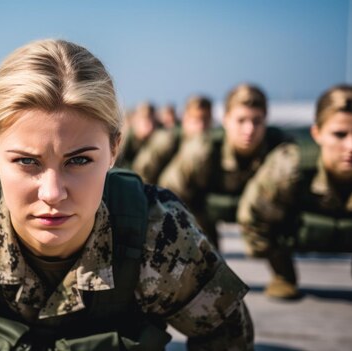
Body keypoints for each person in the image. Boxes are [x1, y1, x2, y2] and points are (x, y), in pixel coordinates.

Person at [0, 39, 253, 350]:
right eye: (27, 162)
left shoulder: (160, 238)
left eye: (78, 161)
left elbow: (225, 336)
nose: (52, 192)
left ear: (114, 149)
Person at [237, 84, 352, 300]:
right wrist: (278, 262)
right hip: (297, 235)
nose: (351, 145)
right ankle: (283, 276)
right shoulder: (289, 165)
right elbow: (252, 217)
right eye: (340, 134)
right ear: (317, 133)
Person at [159, 84, 289, 248]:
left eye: (257, 121)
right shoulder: (201, 150)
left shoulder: (280, 149)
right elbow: (168, 194)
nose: (249, 129)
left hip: (261, 217)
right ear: (226, 120)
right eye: (241, 120)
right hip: (203, 210)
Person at [132, 95, 212, 184]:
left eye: (206, 120)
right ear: (185, 118)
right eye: (196, 120)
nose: (201, 126)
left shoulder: (211, 144)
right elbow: (141, 172)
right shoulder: (167, 140)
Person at [115, 102, 158, 169]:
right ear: (136, 121)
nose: (150, 126)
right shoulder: (126, 137)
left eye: (153, 122)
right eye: (146, 122)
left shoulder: (155, 138)